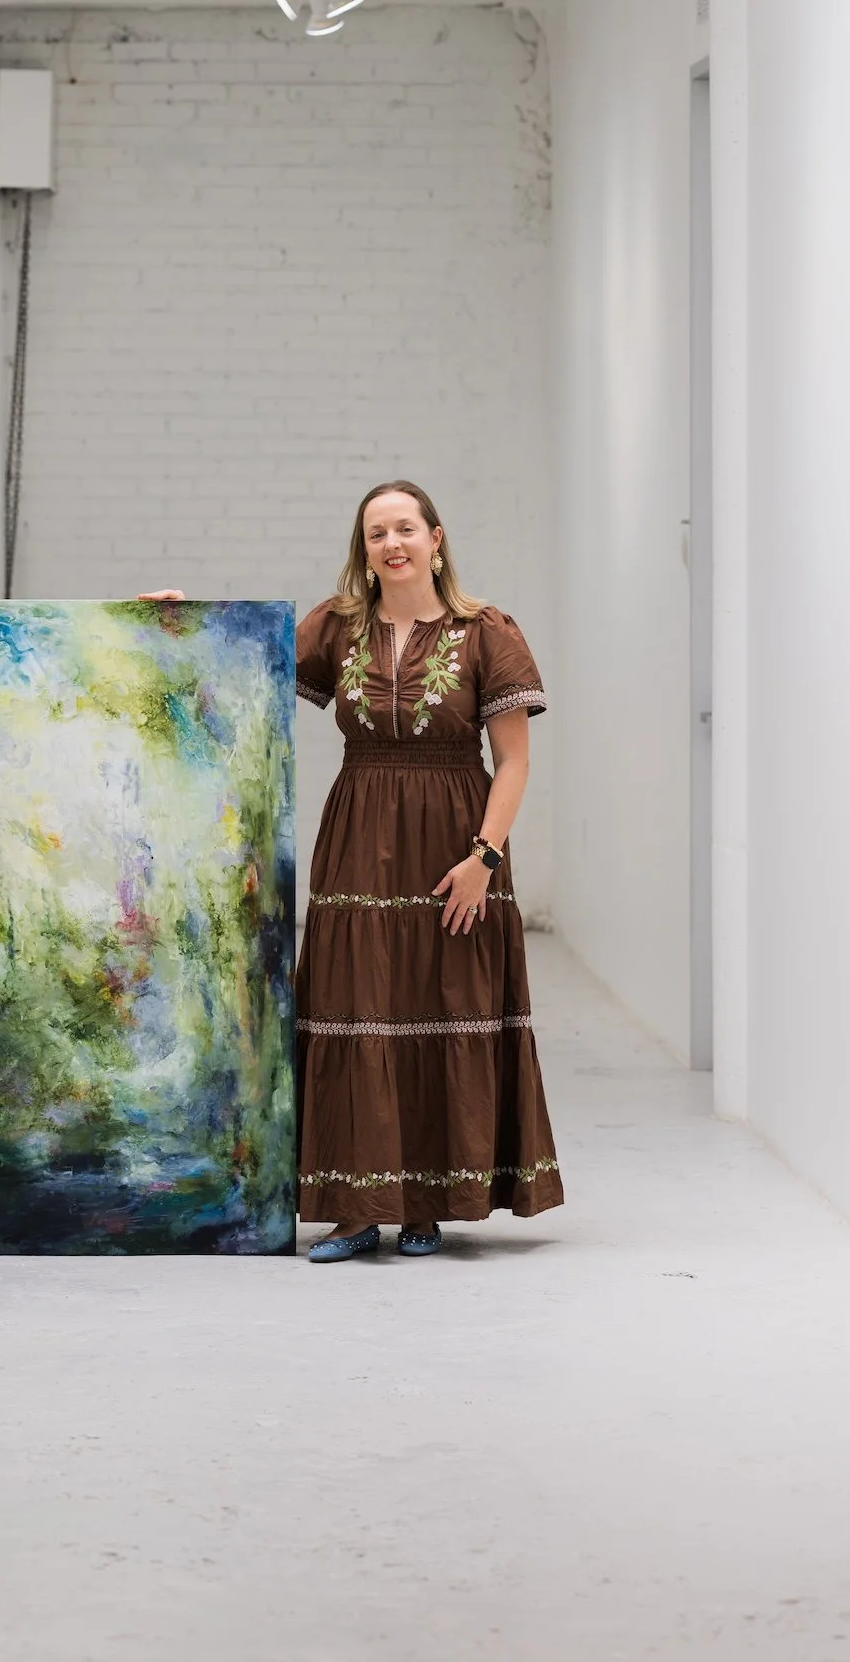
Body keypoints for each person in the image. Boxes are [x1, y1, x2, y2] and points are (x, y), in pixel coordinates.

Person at [290, 478, 562, 1258]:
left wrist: (484, 857)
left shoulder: (486, 632)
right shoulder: (336, 629)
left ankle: (425, 1204)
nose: (391, 544)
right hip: (357, 832)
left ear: (434, 538)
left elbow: (511, 761)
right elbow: (239, 667)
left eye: (404, 528)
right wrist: (172, 623)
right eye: (376, 534)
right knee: (356, 1006)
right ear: (364, 550)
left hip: (456, 840)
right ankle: (354, 1208)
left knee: (439, 1001)